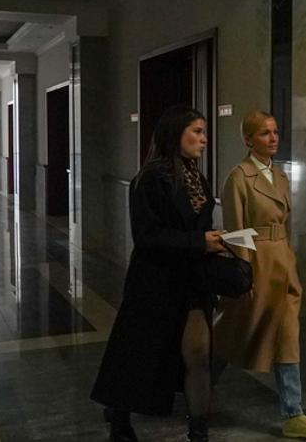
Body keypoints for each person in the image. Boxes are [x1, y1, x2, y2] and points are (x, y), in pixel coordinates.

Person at [91, 106, 226, 442]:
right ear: (175, 134)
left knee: (199, 354)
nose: (204, 139)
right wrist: (199, 242)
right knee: (139, 354)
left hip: (192, 281)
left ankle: (199, 432)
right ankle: (120, 419)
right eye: (197, 131)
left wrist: (214, 240)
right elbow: (147, 236)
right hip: (155, 281)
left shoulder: (197, 177)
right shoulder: (150, 178)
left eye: (204, 132)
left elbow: (199, 225)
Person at [215, 110, 306, 439]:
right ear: (248, 139)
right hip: (257, 265)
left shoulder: (279, 176)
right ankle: (195, 382)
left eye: (276, 132)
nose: (273, 138)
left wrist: (289, 259)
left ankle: (293, 413)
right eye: (265, 133)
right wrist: (244, 273)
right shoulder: (239, 177)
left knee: (287, 337)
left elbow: (285, 225)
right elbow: (236, 231)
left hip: (283, 265)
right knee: (233, 331)